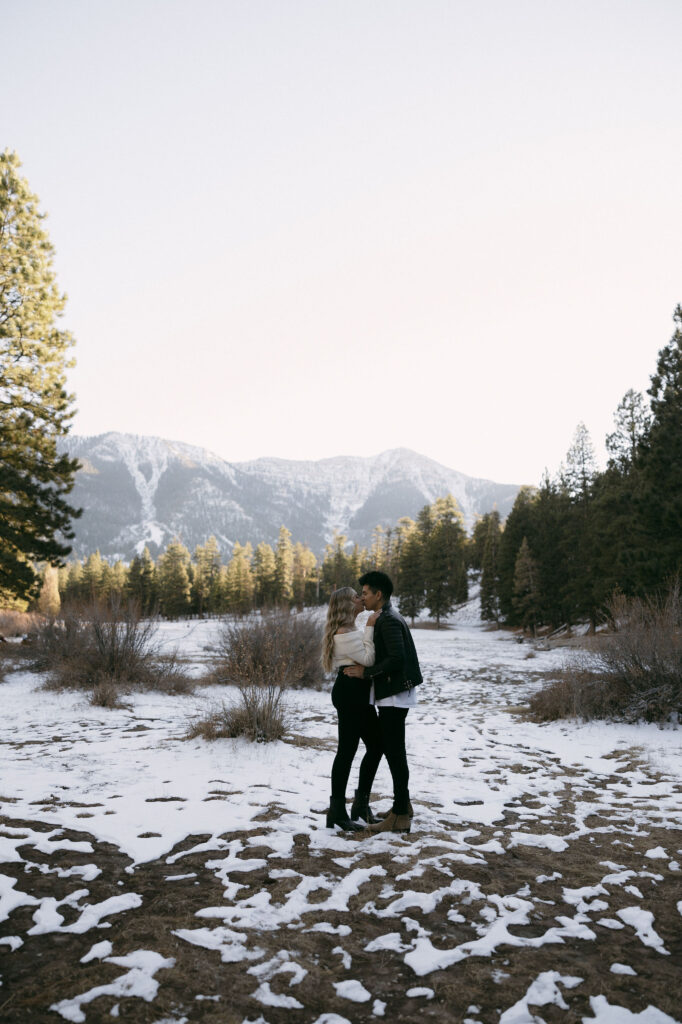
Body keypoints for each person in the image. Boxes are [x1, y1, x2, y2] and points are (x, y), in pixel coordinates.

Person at [343, 570, 422, 835]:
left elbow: (397, 659)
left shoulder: (388, 620)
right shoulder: (387, 617)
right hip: (394, 694)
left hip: (394, 695)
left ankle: (400, 815)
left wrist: (366, 672)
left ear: (379, 594)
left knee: (395, 754)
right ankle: (403, 806)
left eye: (365, 592)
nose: (362, 597)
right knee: (393, 751)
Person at [321, 587, 383, 831]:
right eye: (357, 596)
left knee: (376, 744)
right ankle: (337, 811)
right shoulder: (344, 632)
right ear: (348, 604)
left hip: (356, 692)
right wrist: (370, 625)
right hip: (350, 693)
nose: (361, 599)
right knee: (347, 751)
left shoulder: (349, 629)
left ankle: (359, 804)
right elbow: (368, 659)